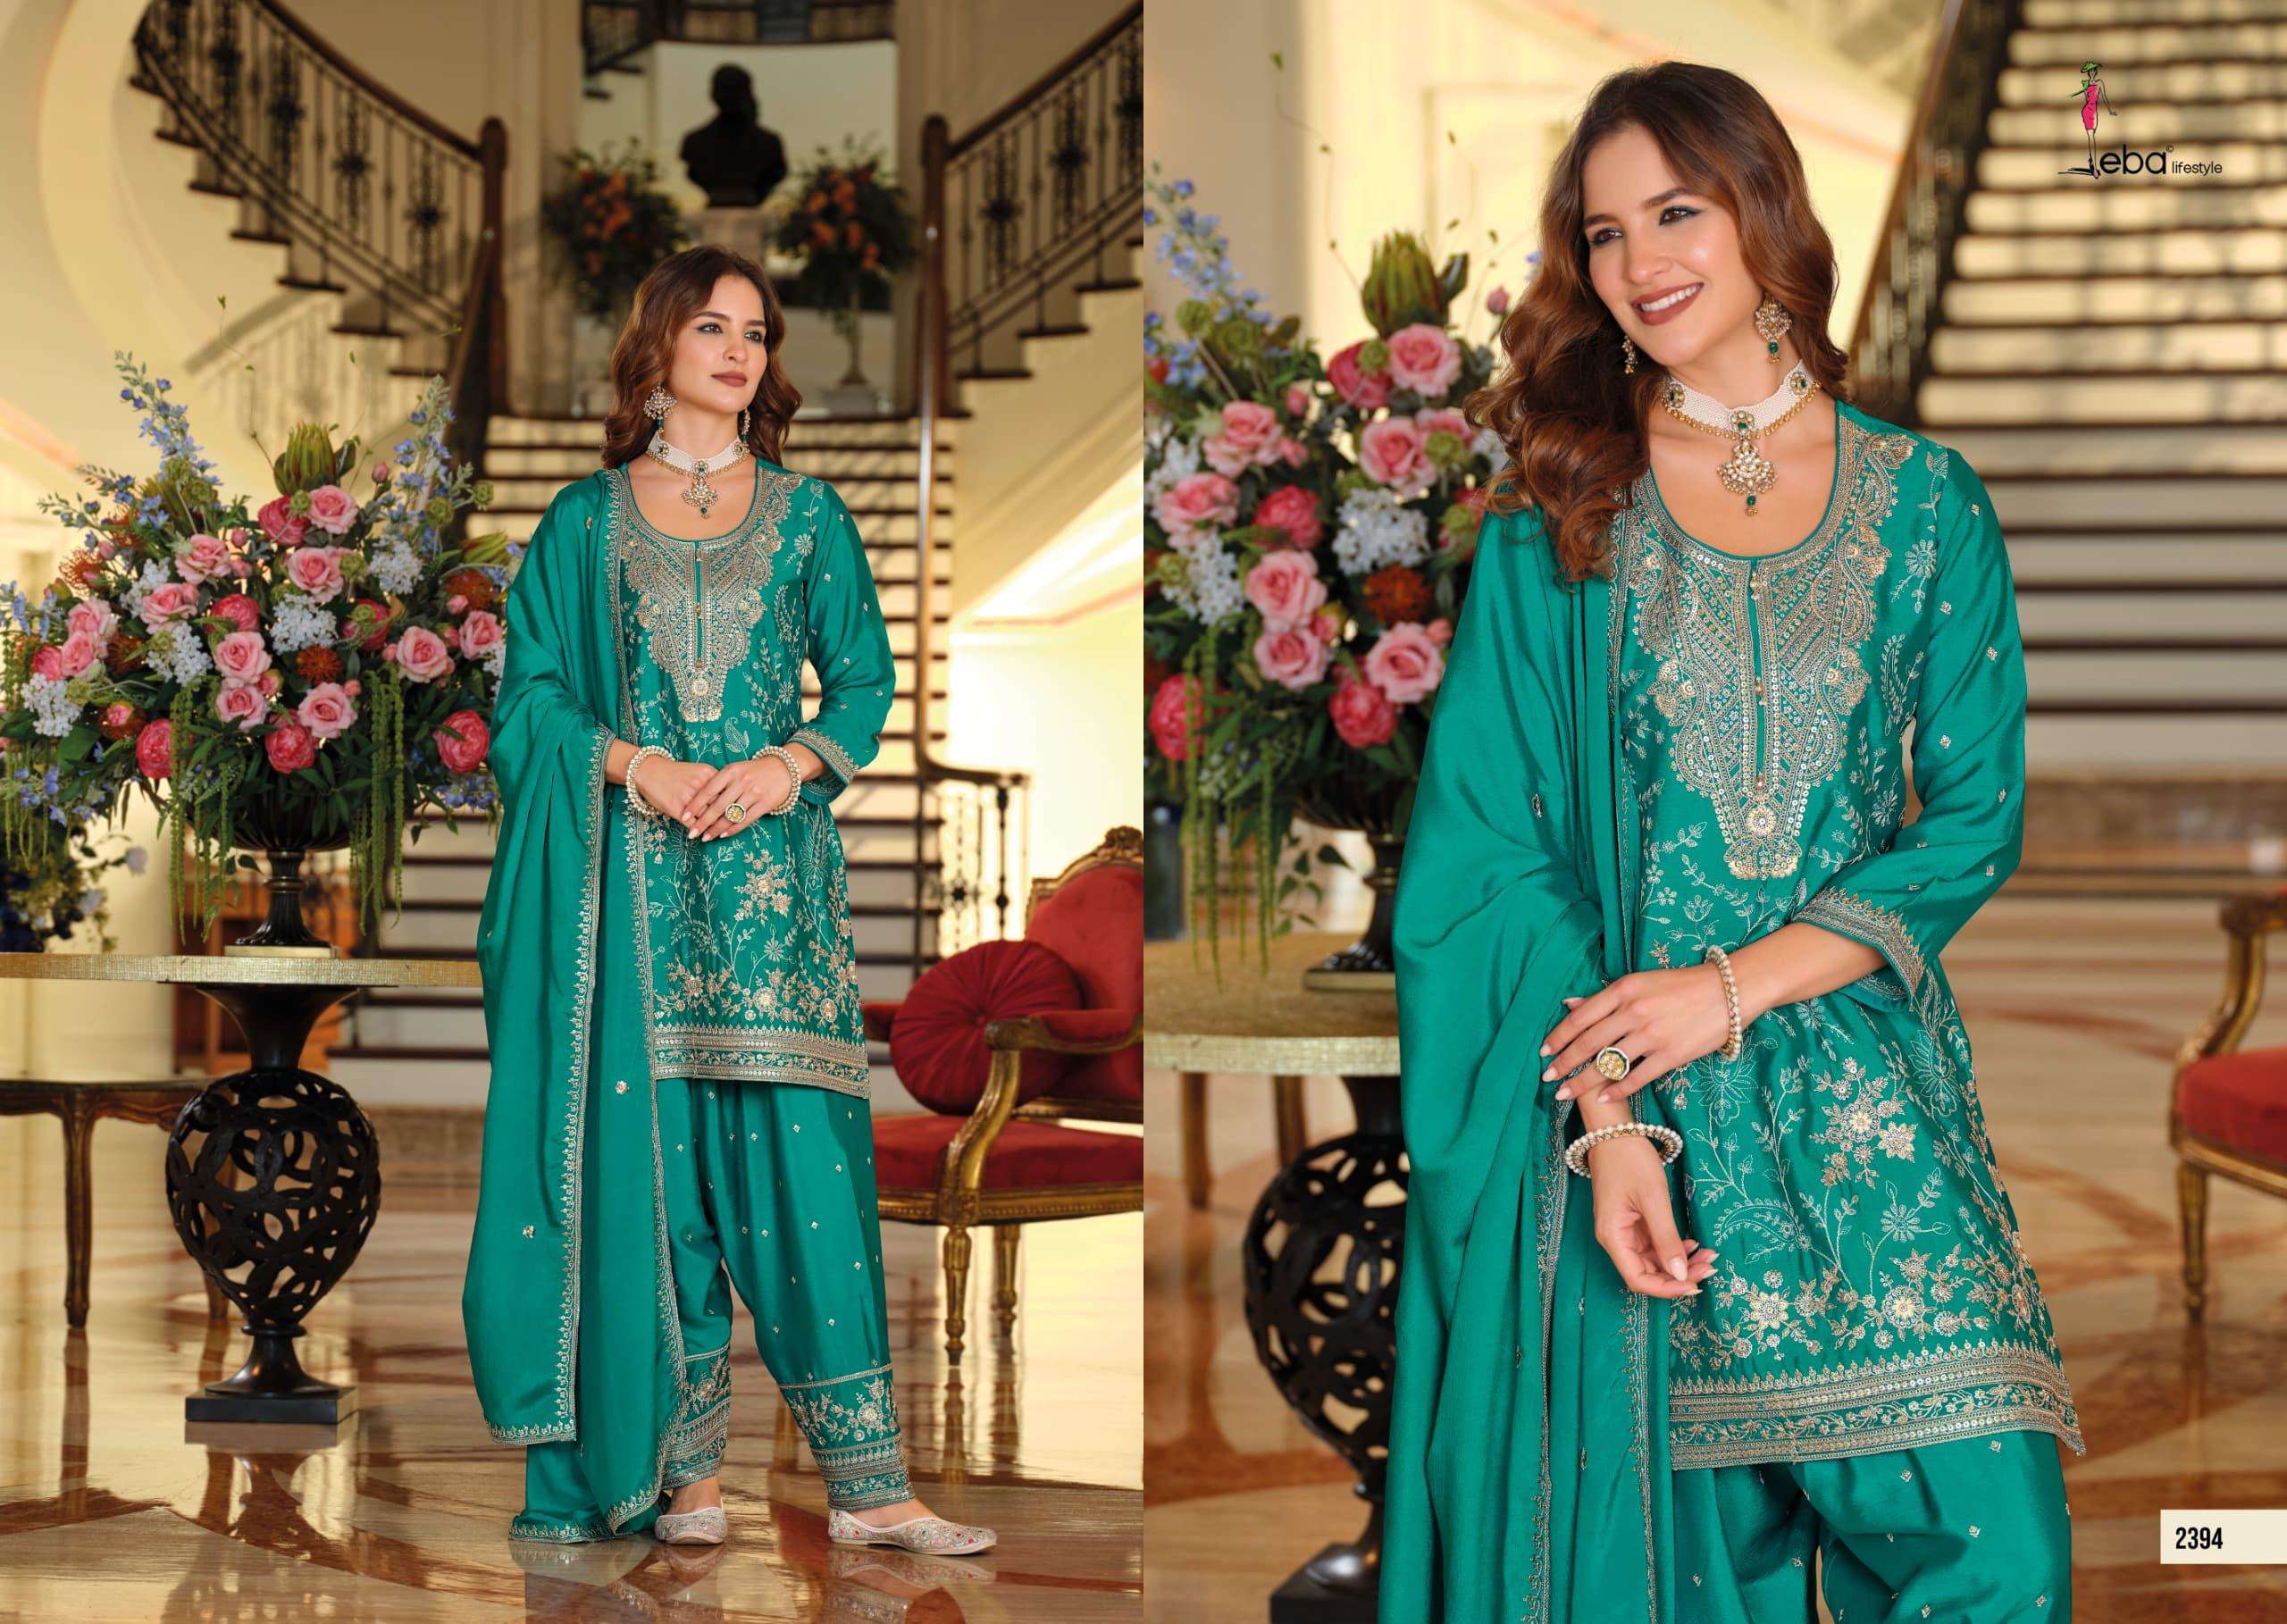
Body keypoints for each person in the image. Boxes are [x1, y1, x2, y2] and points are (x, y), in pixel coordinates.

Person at [1382, 63, 2082, 1622]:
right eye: (1605, 233)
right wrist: (1610, 1123)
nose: (1641, 261)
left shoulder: (1928, 505)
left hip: (1864, 1107)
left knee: (2006, 1556)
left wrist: (1733, 986)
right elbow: (1493, 860)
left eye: (1676, 213)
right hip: (1634, 1119)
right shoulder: (1561, 520)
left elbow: (1975, 818)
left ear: (1764, 208)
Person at [463, 242, 993, 1557]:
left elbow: (863, 684)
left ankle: (871, 1487)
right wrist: (633, 763)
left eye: (757, 332)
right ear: (657, 346)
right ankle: (684, 1476)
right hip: (634, 899)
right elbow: (530, 696)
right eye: (714, 326)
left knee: (811, 1184)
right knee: (663, 1187)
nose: (741, 350)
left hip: (775, 898)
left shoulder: (810, 517)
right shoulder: (585, 523)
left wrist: (783, 766)